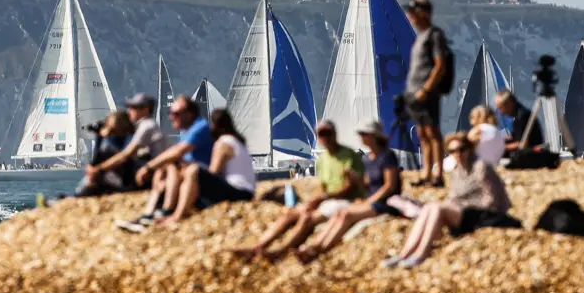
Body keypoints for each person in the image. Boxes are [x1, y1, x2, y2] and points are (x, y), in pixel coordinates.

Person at [231, 120, 364, 261]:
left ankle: (281, 251)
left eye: (328, 133)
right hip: (328, 200)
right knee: (289, 215)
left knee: (306, 218)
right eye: (321, 134)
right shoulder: (322, 160)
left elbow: (349, 187)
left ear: (334, 134)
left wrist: (322, 198)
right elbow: (324, 187)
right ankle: (258, 246)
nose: (325, 137)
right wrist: (318, 199)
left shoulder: (348, 155)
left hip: (345, 201)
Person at [384, 133, 518, 268]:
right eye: (453, 151)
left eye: (462, 149)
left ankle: (421, 254)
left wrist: (463, 206)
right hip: (466, 213)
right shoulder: (457, 171)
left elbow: (493, 201)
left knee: (438, 208)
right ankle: (405, 254)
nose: (458, 154)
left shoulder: (481, 167)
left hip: (485, 214)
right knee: (430, 207)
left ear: (469, 149)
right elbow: (454, 197)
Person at [296, 119, 402, 263]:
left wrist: (369, 200)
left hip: (385, 202)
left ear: (373, 136)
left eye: (364, 134)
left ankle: (320, 248)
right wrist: (355, 178)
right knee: (339, 213)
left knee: (345, 214)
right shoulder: (368, 158)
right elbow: (367, 186)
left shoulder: (387, 156)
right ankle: (316, 244)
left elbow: (390, 186)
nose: (361, 137)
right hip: (371, 200)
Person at [157, 109, 256, 227]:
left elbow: (214, 171)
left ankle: (177, 216)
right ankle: (179, 212)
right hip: (247, 192)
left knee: (194, 171)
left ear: (214, 126)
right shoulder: (238, 141)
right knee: (192, 174)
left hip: (237, 192)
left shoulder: (223, 143)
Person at [129, 96, 214, 224]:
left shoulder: (201, 127)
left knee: (169, 164)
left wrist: (148, 167)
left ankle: (167, 209)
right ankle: (148, 214)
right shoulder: (187, 132)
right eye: (170, 113)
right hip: (189, 173)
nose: (171, 117)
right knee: (163, 168)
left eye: (176, 113)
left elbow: (177, 152)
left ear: (190, 114)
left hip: (202, 176)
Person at [404, 0, 451, 187]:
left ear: (424, 13)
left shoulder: (434, 35)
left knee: (433, 132)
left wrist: (426, 89)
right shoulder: (420, 36)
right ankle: (426, 173)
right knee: (422, 133)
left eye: (414, 12)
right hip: (415, 93)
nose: (410, 16)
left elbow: (440, 65)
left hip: (427, 92)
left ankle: (438, 174)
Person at [93, 94, 167, 190]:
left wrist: (100, 169)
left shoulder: (147, 126)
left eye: (134, 107)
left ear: (146, 110)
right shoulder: (140, 125)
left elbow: (127, 153)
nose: (130, 111)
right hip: (150, 165)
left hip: (153, 168)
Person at [74, 110, 137, 197]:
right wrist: (99, 137)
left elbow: (124, 156)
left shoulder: (130, 138)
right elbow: (97, 156)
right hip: (106, 175)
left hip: (122, 176)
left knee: (90, 184)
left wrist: (99, 169)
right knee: (86, 184)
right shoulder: (108, 138)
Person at [496, 90, 545, 154]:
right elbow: (515, 137)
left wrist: (502, 148)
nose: (501, 112)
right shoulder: (519, 115)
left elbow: (522, 143)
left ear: (509, 104)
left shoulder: (522, 116)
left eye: (500, 108)